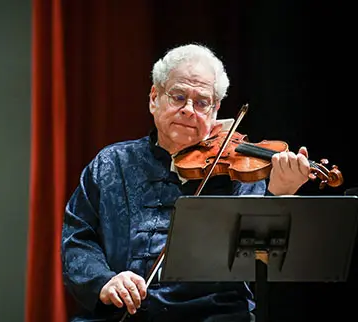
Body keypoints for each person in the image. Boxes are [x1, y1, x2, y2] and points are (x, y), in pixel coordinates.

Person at [61, 43, 310, 322]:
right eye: (178, 97)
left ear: (215, 111)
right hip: (124, 314)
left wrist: (279, 195)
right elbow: (78, 238)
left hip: (214, 314)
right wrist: (105, 281)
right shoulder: (111, 164)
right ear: (154, 98)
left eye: (202, 102)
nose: (189, 110)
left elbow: (259, 260)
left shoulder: (238, 171)